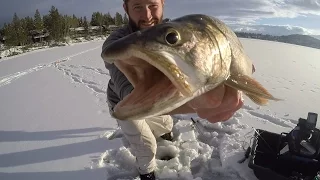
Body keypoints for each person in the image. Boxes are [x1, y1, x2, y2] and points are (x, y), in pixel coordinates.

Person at [101, 0, 244, 179]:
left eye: (153, 6)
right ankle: (147, 172)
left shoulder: (180, 31)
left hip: (162, 99)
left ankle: (165, 134)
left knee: (164, 125)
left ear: (162, 4)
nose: (146, 16)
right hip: (128, 103)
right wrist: (198, 103)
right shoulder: (116, 43)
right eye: (137, 7)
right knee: (146, 146)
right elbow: (128, 90)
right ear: (126, 9)